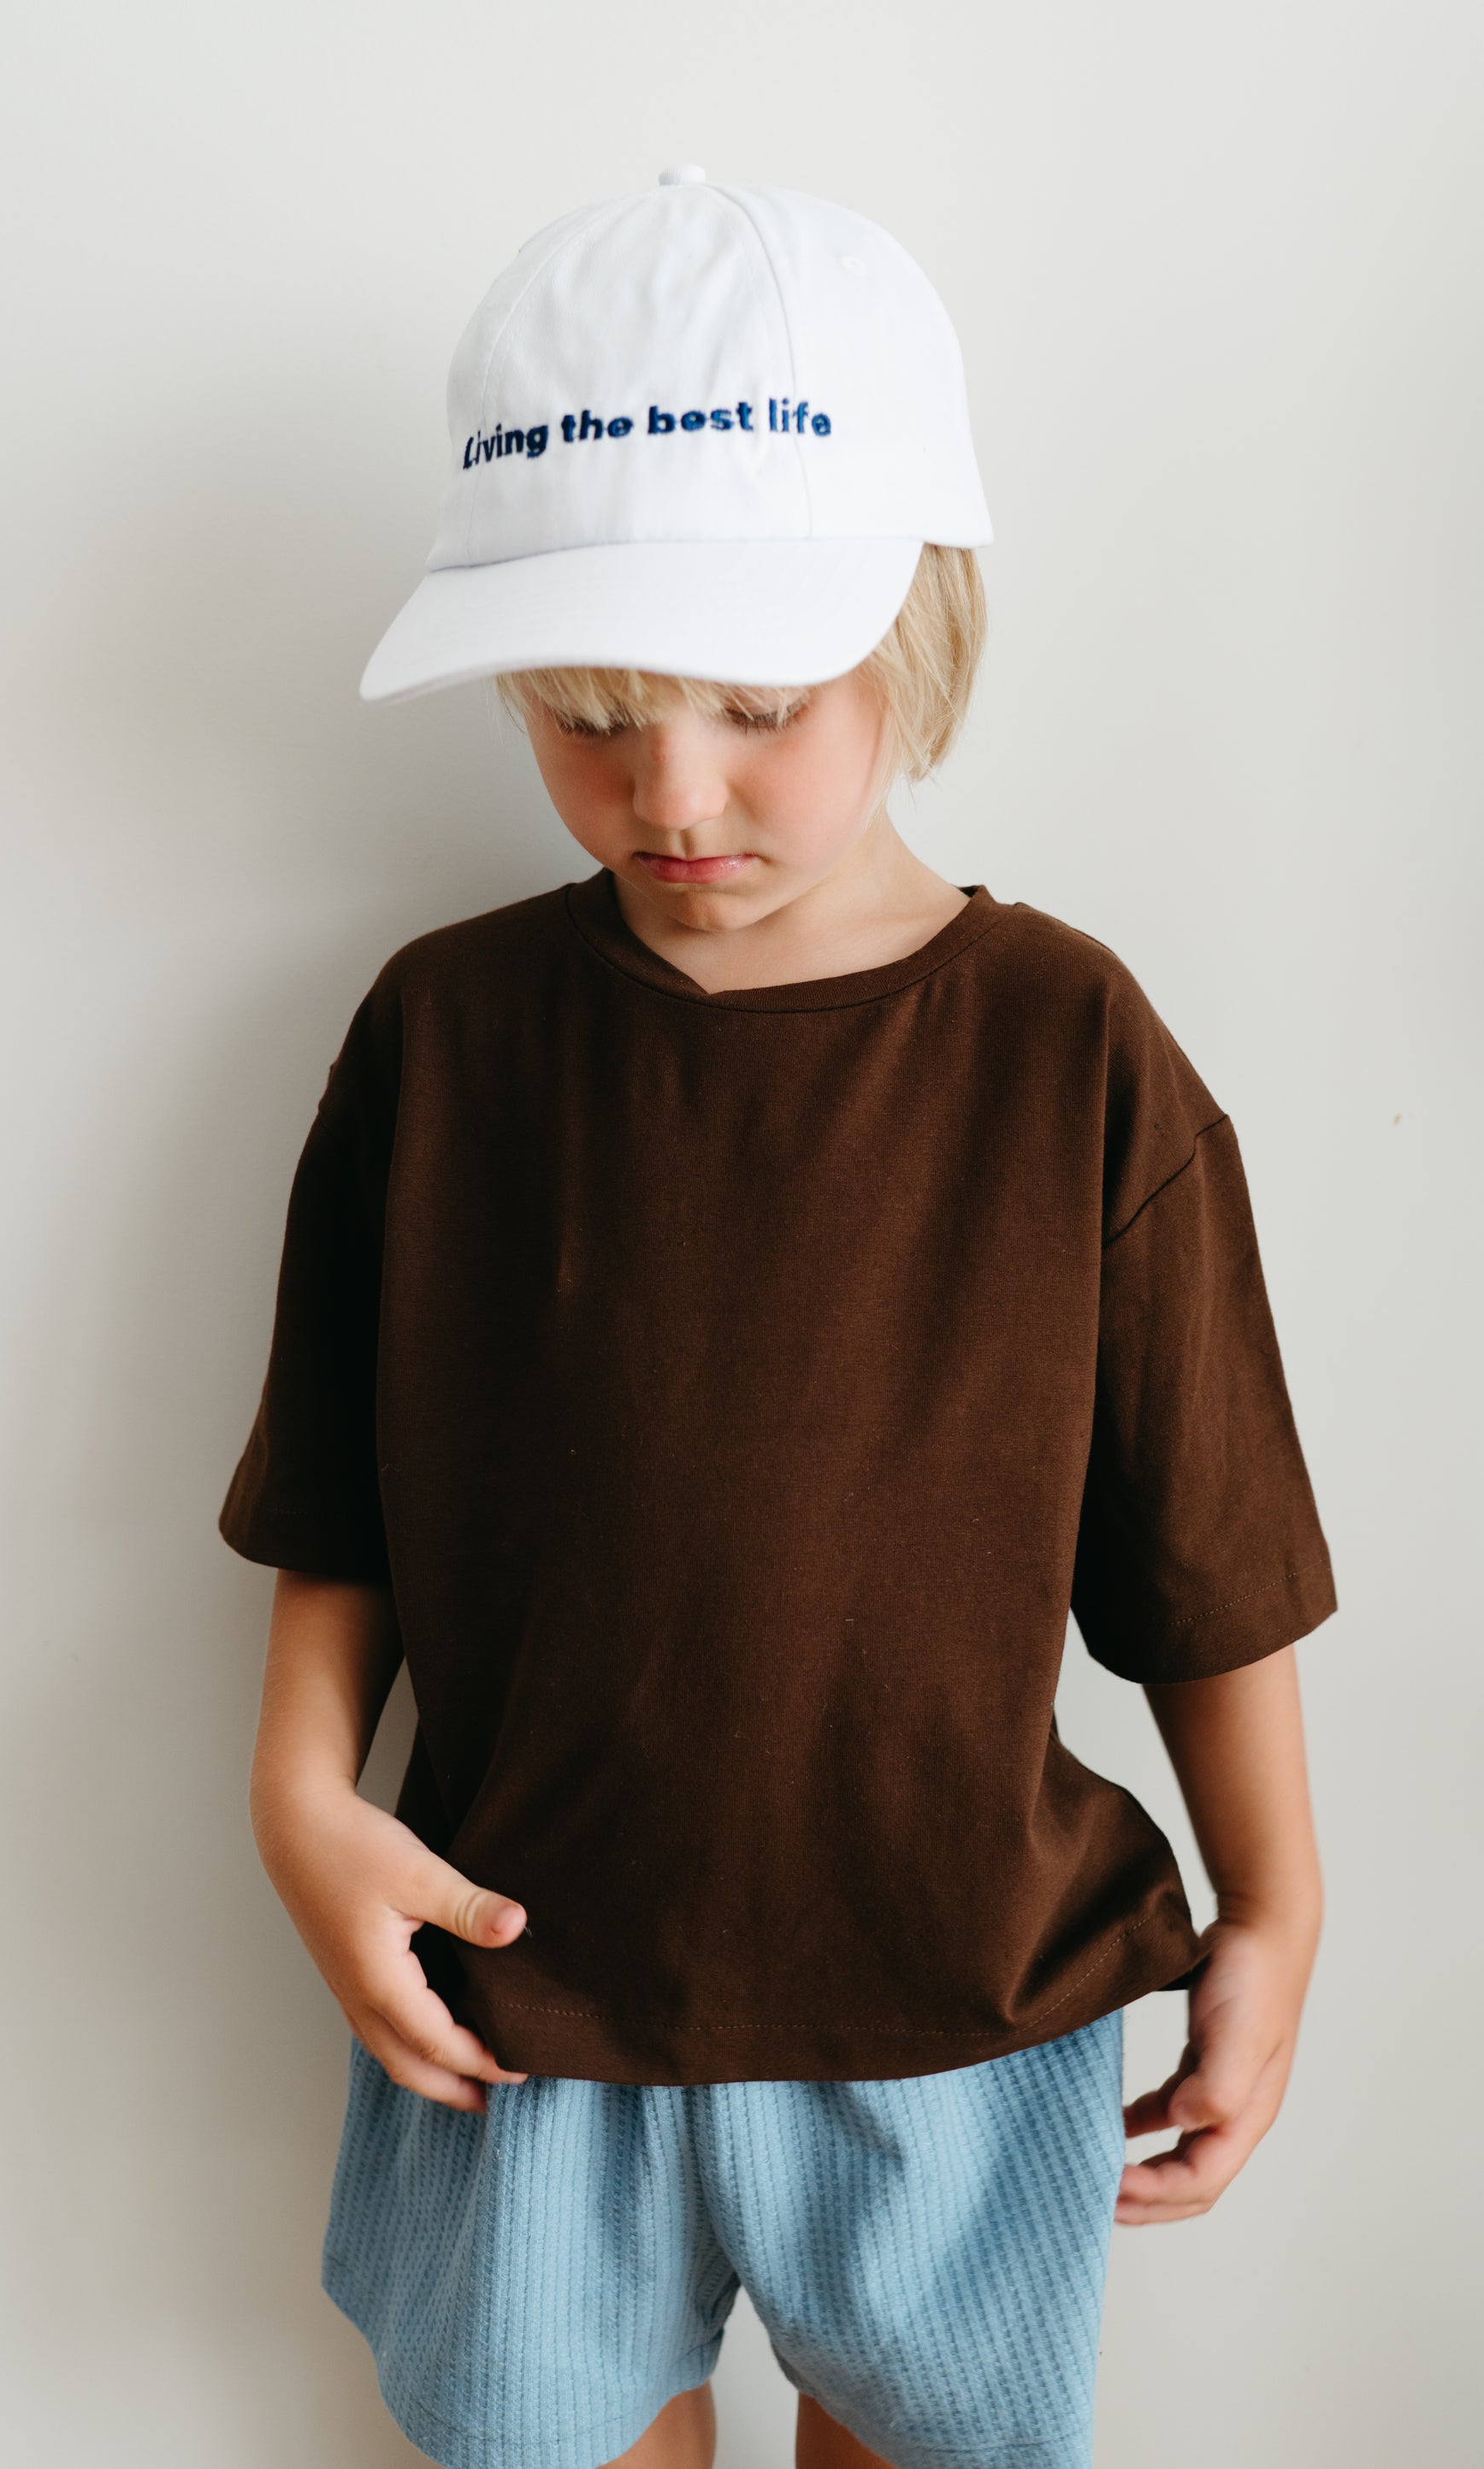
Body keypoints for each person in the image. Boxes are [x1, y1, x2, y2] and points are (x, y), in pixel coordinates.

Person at [221, 168, 1334, 2469]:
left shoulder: (1070, 1049)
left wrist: (1280, 1908)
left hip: (961, 2003)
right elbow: (341, 1500)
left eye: (756, 702)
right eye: (587, 716)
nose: (674, 793)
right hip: (515, 1986)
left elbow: (1210, 1556)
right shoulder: (445, 1041)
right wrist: (296, 1801)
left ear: (921, 626)